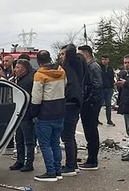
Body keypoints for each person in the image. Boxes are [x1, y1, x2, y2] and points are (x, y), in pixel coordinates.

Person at [27, 50, 67, 182]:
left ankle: (50, 172)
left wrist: (33, 113)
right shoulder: (61, 71)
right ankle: (58, 170)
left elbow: (36, 97)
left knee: (45, 144)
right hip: (60, 110)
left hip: (45, 113)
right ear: (50, 59)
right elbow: (65, 86)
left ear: (38, 62)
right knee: (55, 142)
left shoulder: (39, 75)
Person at [59, 44, 87, 176]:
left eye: (63, 54)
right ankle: (72, 164)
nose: (61, 57)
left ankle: (70, 165)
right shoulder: (77, 66)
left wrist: (68, 51)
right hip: (73, 101)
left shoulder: (73, 64)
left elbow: (70, 50)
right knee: (69, 135)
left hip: (71, 101)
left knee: (67, 135)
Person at [77, 45, 103, 170]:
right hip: (88, 103)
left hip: (91, 105)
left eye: (80, 54)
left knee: (91, 131)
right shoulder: (88, 66)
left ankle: (92, 160)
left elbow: (97, 86)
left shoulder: (93, 67)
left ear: (86, 55)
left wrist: (89, 102)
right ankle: (91, 158)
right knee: (89, 131)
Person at [9, 59, 37, 172]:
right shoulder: (18, 79)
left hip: (26, 114)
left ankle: (29, 162)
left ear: (24, 69)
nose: (15, 70)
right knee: (19, 138)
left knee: (28, 140)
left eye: (17, 67)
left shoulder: (28, 81)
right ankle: (20, 161)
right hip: (19, 113)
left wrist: (32, 113)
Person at [99, 55, 116, 126]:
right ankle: (96, 119)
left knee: (108, 105)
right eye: (102, 59)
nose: (104, 61)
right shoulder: (99, 67)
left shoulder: (110, 68)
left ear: (108, 60)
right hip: (101, 88)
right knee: (99, 104)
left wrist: (112, 86)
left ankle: (109, 120)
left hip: (109, 89)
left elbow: (112, 78)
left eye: (105, 59)